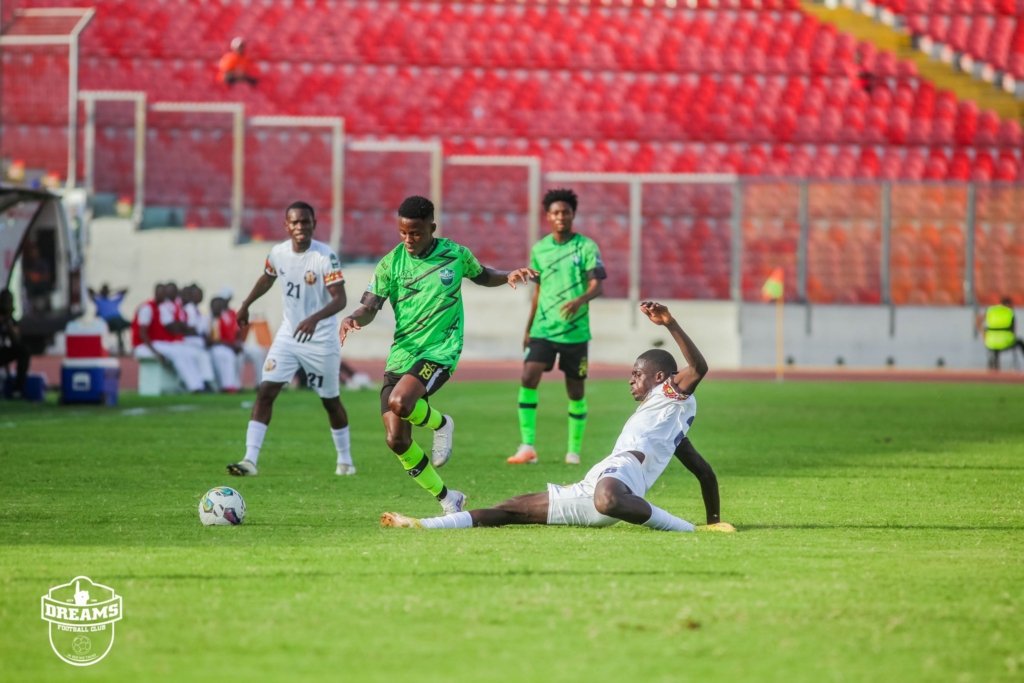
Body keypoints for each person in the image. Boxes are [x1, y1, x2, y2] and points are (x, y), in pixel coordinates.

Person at [380, 301, 736, 534]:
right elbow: (703, 471)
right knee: (511, 508)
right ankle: (422, 524)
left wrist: (670, 322)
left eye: (637, 373)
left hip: (618, 480)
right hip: (595, 483)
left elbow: (699, 368)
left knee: (608, 498)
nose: (631, 379)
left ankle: (682, 529)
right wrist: (716, 522)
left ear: (661, 378)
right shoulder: (668, 426)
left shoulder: (669, 396)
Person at [340, 195, 536, 514]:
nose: (408, 239)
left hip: (441, 350)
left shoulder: (454, 254)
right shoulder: (390, 264)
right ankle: (449, 499)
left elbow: (483, 275)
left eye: (415, 232)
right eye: (403, 232)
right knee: (397, 441)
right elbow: (370, 306)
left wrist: (507, 276)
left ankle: (441, 423)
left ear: (432, 227)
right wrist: (354, 318)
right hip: (403, 355)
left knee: (401, 403)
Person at [227, 201, 355, 477]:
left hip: (320, 338)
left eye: (305, 222)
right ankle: (250, 460)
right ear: (286, 226)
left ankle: (345, 460)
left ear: (313, 224)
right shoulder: (278, 253)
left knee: (330, 401)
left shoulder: (324, 257)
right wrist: (246, 304)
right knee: (266, 391)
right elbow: (267, 278)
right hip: (288, 335)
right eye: (294, 222)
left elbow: (340, 299)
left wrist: (313, 319)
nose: (300, 227)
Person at [507, 188, 607, 466]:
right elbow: (538, 292)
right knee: (528, 377)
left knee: (575, 391)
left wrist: (581, 299)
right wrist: (528, 328)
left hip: (575, 332)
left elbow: (597, 284)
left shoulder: (586, 247)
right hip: (544, 329)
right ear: (548, 217)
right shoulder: (540, 249)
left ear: (573, 214)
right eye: (555, 212)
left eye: (565, 212)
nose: (560, 216)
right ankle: (527, 445)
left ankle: (573, 450)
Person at [130, 283, 206, 393]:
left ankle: (197, 384)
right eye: (162, 292)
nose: (165, 295)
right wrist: (156, 353)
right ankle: (194, 386)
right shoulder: (147, 308)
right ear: (156, 292)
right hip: (143, 345)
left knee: (184, 351)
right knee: (177, 353)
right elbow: (142, 334)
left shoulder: (162, 307)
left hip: (157, 343)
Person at [207, 294, 243, 393]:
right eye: (216, 306)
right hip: (214, 347)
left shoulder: (224, 318)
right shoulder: (208, 319)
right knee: (226, 354)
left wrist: (235, 344)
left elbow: (234, 334)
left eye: (220, 306)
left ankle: (236, 384)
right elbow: (210, 340)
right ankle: (227, 385)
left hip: (224, 346)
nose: (218, 308)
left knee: (236, 355)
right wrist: (229, 345)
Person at [977, 297, 1024, 370]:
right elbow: (1014, 331)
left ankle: (996, 368)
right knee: (1020, 342)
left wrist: (983, 335)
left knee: (995, 348)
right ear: (1009, 304)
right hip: (1006, 341)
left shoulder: (991, 310)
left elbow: (978, 320)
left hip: (991, 342)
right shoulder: (1010, 312)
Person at [0, 289, 31, 398]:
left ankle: (18, 389)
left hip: (2, 352)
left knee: (23, 351)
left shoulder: (10, 320)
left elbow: (16, 341)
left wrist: (8, 324)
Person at [88, 283, 130, 355]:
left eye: (106, 290)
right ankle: (121, 347)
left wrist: (112, 292)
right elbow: (89, 291)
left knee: (132, 324)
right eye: (104, 290)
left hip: (120, 320)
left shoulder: (114, 300)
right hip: (109, 322)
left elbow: (126, 290)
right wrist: (100, 294)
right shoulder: (99, 301)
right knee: (118, 324)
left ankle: (134, 346)